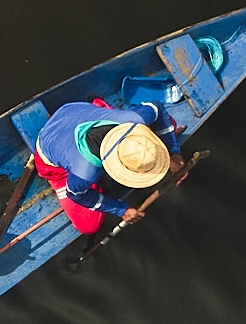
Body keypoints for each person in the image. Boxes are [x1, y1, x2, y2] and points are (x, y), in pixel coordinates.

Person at [32, 93, 183, 234]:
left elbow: (157, 107)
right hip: (51, 160)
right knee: (89, 226)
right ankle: (100, 107)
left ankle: (100, 107)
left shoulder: (136, 117)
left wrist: (174, 153)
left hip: (72, 112)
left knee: (169, 125)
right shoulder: (84, 172)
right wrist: (121, 210)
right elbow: (75, 194)